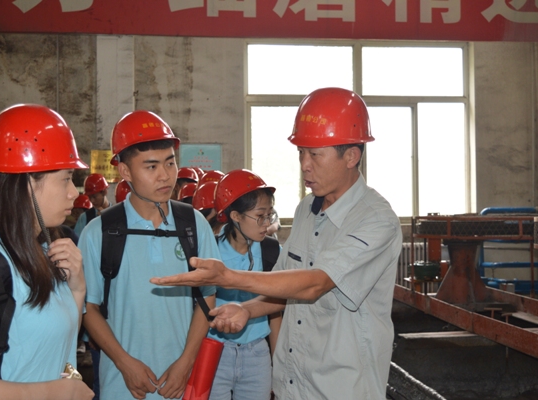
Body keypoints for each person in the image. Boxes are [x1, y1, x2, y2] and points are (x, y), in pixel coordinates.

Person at [151, 87, 403, 399]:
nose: (304, 164)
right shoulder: (307, 210)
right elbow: (285, 288)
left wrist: (228, 277)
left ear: (351, 155)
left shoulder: (376, 220)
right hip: (294, 386)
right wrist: (247, 309)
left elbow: (315, 284)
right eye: (301, 153)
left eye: (314, 154)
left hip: (341, 388)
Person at [0, 104, 94, 399]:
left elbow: (58, 347)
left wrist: (77, 289)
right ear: (28, 182)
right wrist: (60, 393)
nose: (74, 193)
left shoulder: (44, 251)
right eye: (66, 178)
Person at [79, 110, 221, 400]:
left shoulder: (193, 225)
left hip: (181, 383)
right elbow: (88, 308)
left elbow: (207, 297)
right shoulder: (100, 232)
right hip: (123, 385)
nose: (165, 175)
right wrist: (124, 363)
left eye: (170, 162)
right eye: (151, 166)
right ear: (125, 172)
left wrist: (186, 363)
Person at [208, 169, 282, 400]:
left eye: (270, 215)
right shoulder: (210, 252)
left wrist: (277, 362)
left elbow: (275, 311)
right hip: (214, 351)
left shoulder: (271, 251)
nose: (266, 223)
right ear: (235, 216)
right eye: (260, 216)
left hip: (257, 354)